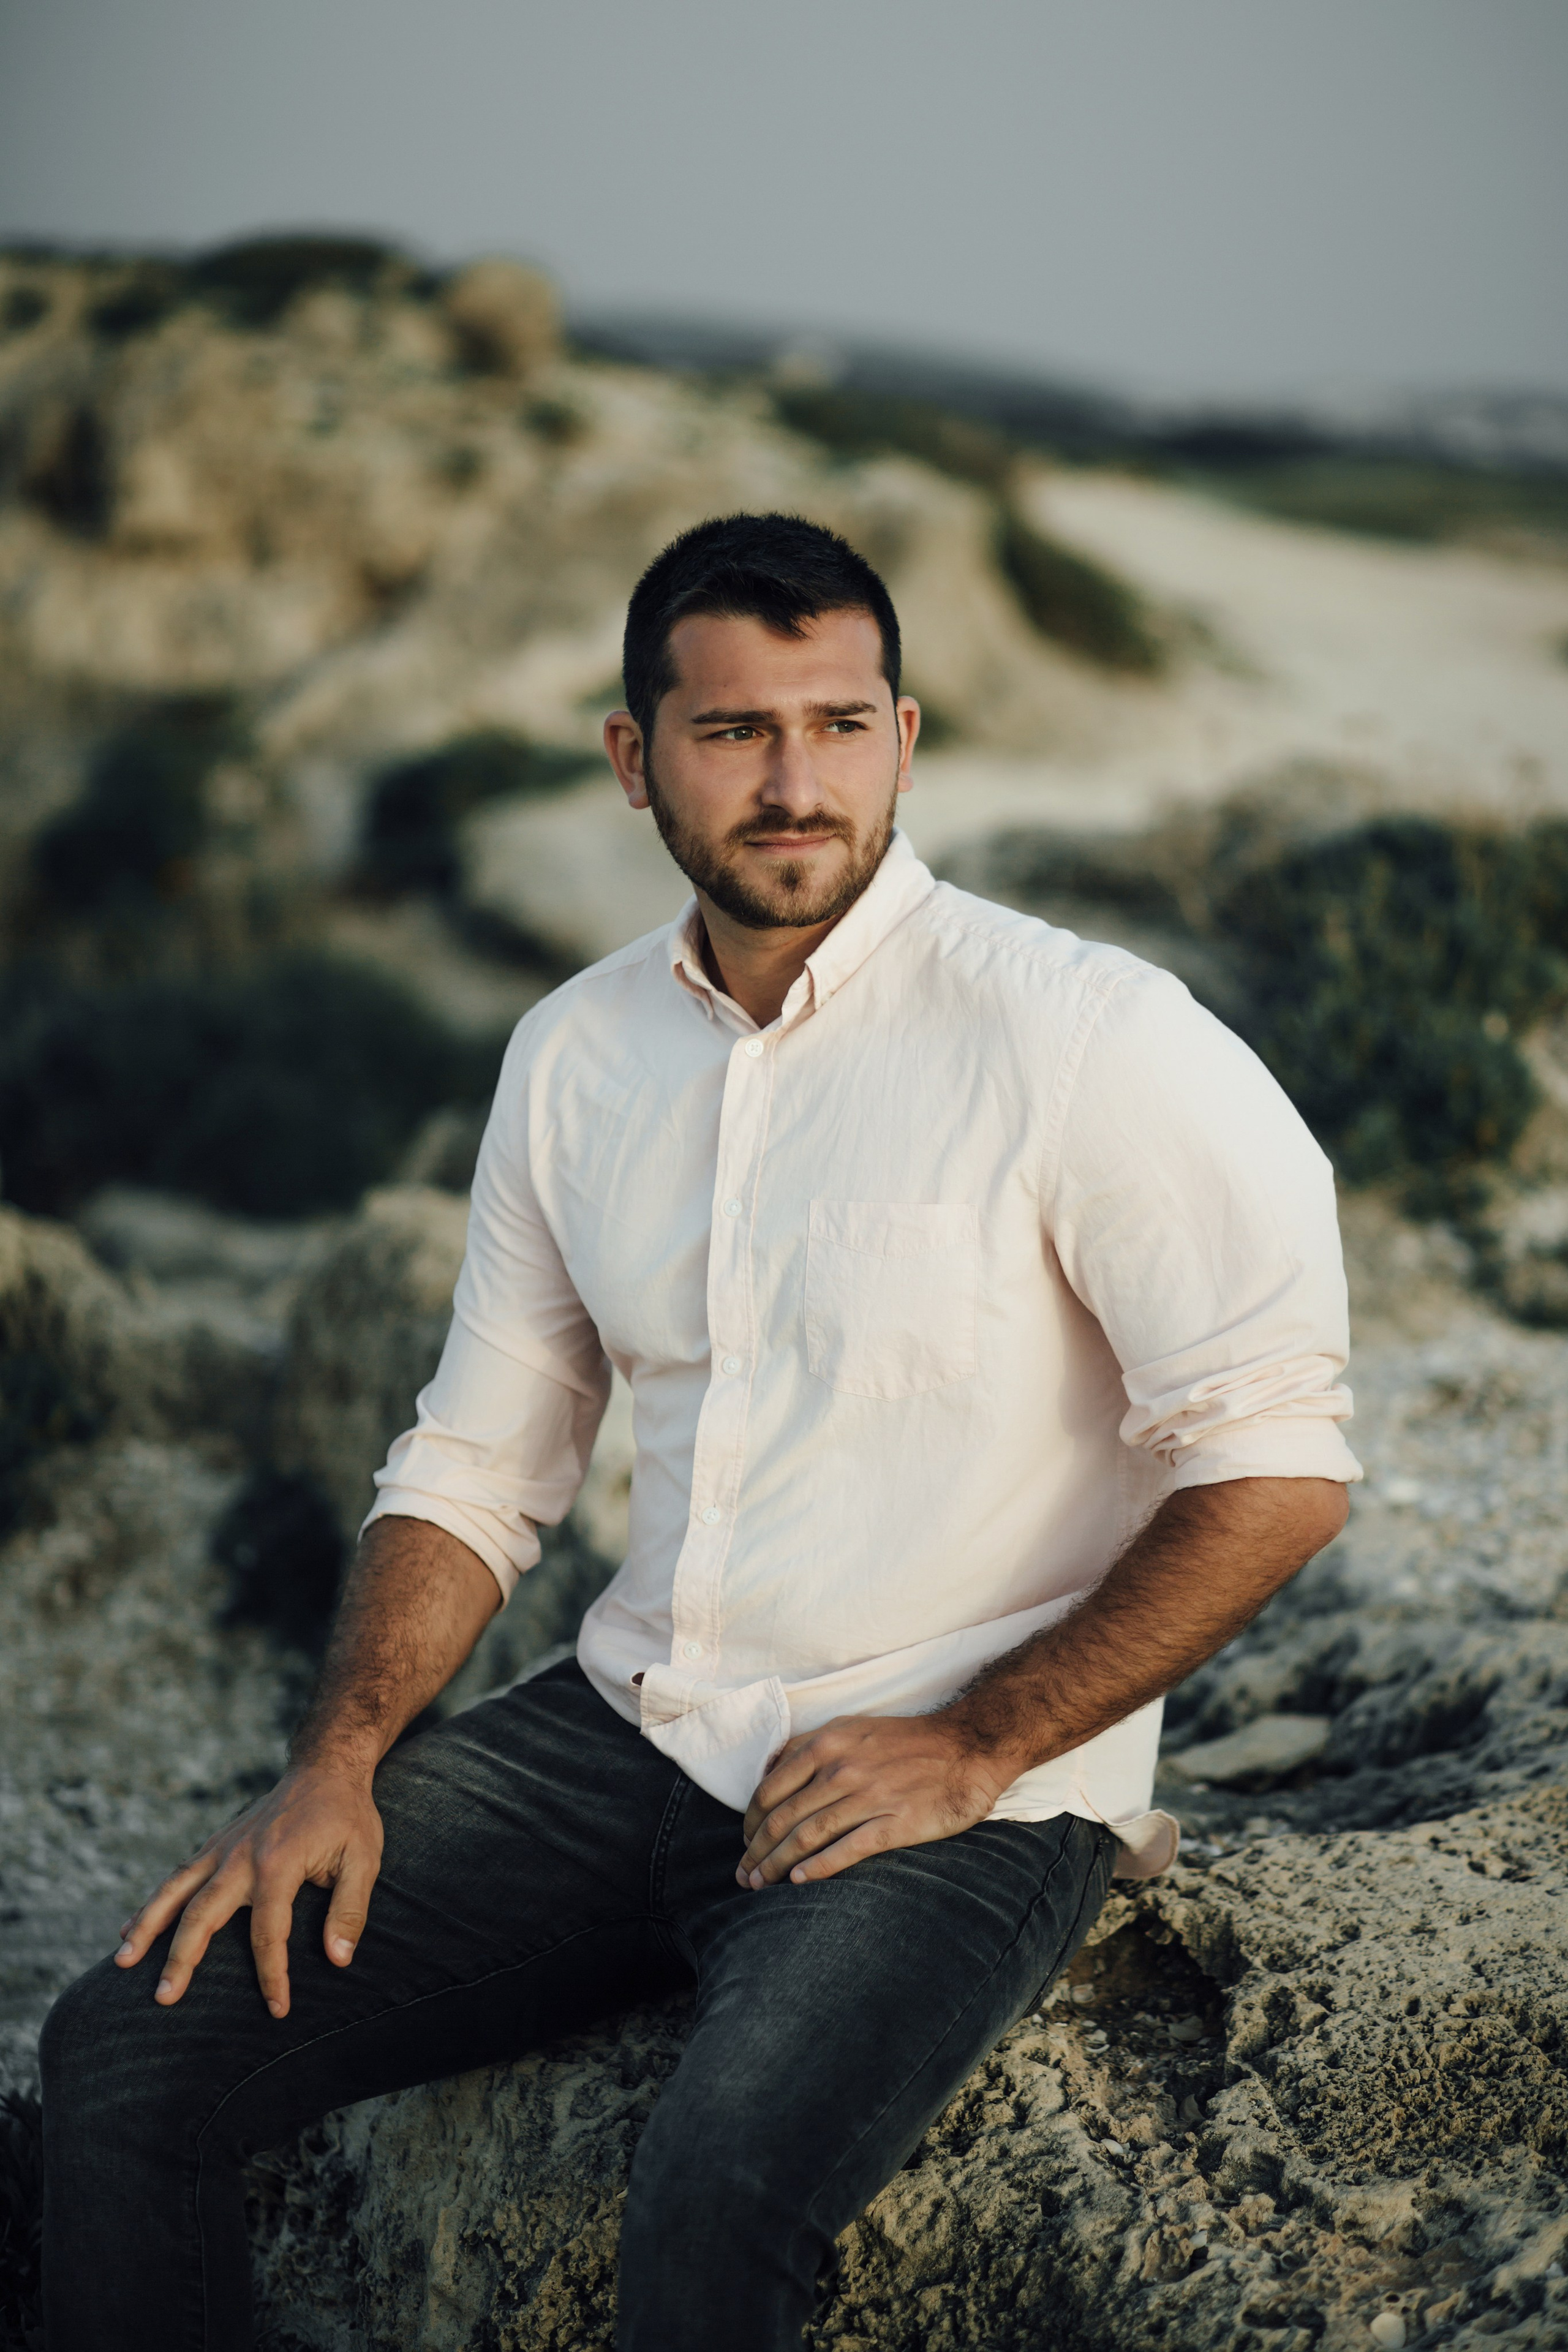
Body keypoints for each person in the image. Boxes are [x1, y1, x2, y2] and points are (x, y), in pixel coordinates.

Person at [40, 512, 1360, 2351]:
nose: (795, 781)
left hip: (952, 1786)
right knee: (123, 2055)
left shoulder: (1089, 1041)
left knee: (718, 2197)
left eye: (837, 725)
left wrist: (977, 1740)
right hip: (626, 1732)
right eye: (736, 731)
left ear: (905, 738)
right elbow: (480, 1465)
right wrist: (335, 1761)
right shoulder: (578, 1057)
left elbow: (1277, 1466)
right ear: (633, 759)